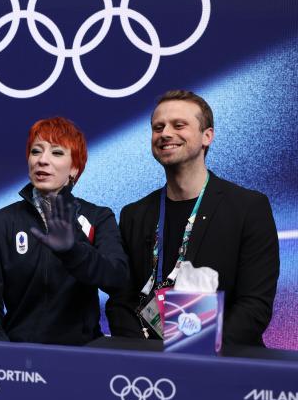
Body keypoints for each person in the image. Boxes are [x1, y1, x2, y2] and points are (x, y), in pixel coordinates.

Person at [106, 90, 279, 346]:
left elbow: (254, 305)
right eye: (158, 127)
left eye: (179, 125)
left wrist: (194, 350)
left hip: (224, 366)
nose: (165, 133)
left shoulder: (248, 207)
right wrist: (146, 352)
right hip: (148, 367)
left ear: (207, 136)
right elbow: (121, 301)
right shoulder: (134, 214)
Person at [0, 117, 129, 345]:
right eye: (36, 151)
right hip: (19, 358)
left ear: (74, 168)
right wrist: (3, 353)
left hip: (82, 355)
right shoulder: (2, 221)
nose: (42, 160)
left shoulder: (98, 217)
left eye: (56, 153)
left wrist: (73, 252)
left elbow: (117, 279)